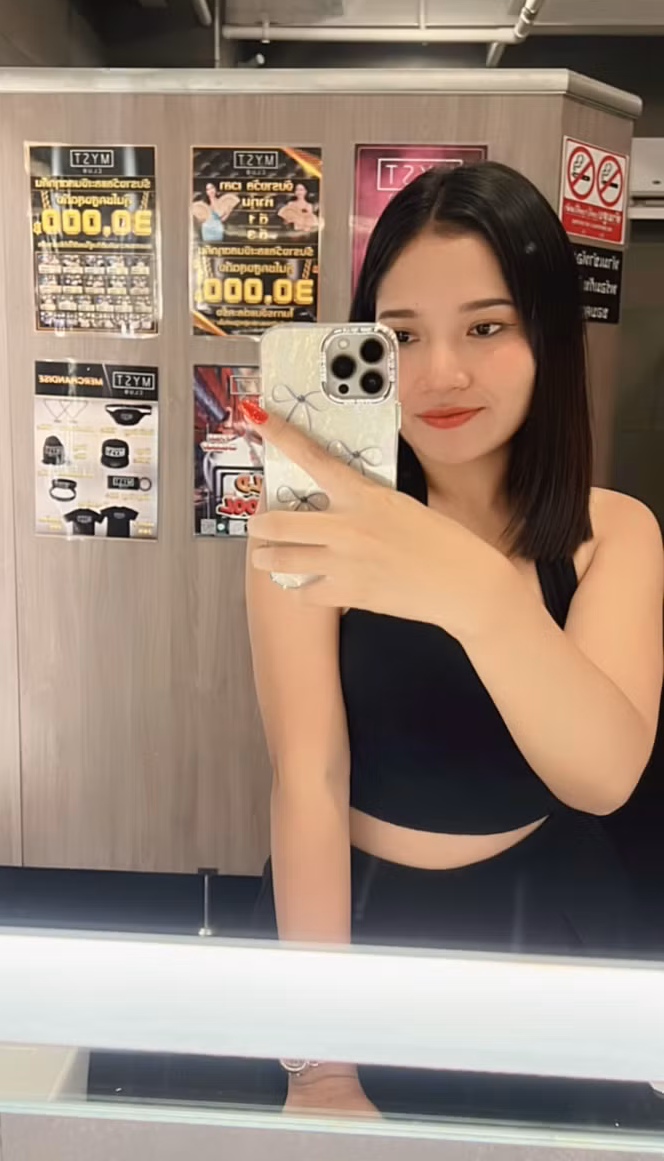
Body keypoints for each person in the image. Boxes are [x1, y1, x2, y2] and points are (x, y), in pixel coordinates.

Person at [243, 162, 664, 1119]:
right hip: (353, 919)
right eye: (399, 336)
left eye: (486, 327)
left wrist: (471, 590)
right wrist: (322, 1066)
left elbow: (599, 778)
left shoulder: (616, 533)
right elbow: (308, 781)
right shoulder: (315, 526)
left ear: (548, 335)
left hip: (553, 917)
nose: (440, 374)